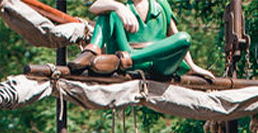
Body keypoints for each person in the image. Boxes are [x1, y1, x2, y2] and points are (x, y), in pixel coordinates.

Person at [70, 0, 213, 79]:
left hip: (157, 62)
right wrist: (118, 6)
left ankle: (127, 59)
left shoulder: (161, 4)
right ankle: (91, 52)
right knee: (105, 13)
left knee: (184, 38)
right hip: (126, 52)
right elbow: (94, 7)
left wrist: (193, 66)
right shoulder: (123, 3)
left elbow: (175, 35)